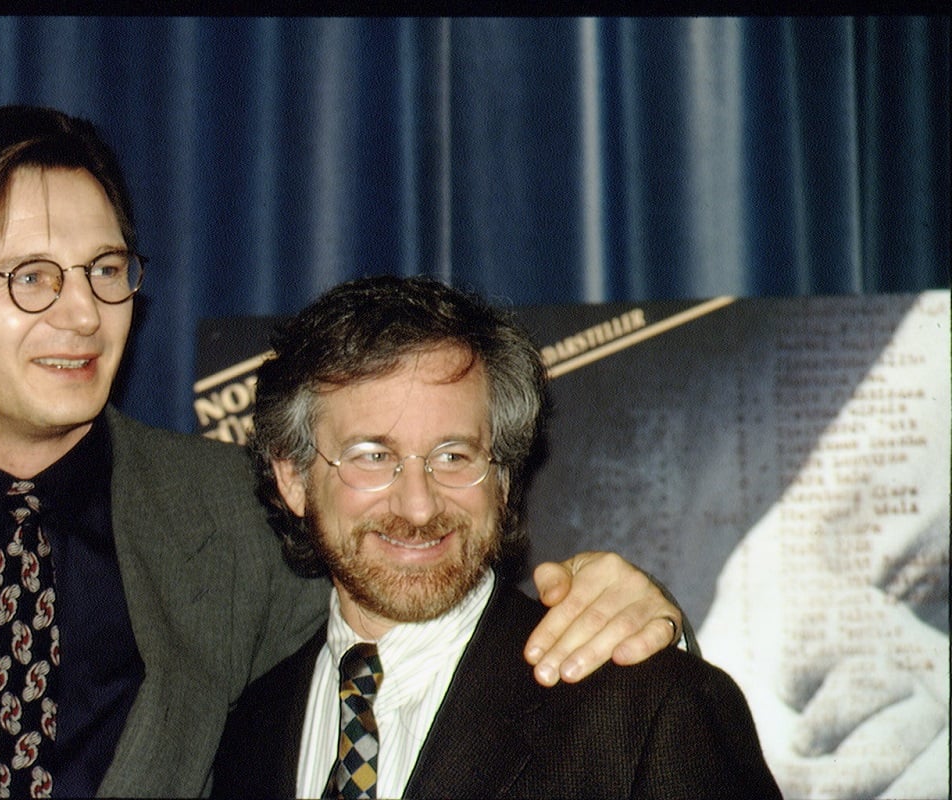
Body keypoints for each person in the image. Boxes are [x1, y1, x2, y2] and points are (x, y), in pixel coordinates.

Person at [0, 106, 683, 798]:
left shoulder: (251, 511)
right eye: (32, 278)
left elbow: (441, 621)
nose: (83, 314)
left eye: (106, 271)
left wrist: (644, 622)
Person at [211, 275, 781, 799]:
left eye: (454, 455)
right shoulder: (248, 731)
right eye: (373, 456)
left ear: (503, 477)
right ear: (293, 478)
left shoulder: (649, 710)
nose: (417, 504)